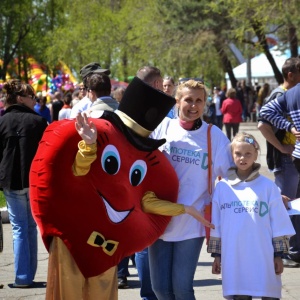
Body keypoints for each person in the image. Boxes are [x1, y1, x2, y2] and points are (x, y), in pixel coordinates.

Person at [148, 79, 233, 300]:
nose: (193, 105)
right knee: (159, 289)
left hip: (192, 222)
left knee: (181, 288)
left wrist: (263, 190)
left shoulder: (214, 135)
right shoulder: (162, 128)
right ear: (177, 101)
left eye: (199, 101)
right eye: (188, 100)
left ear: (205, 104)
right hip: (159, 218)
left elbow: (233, 175)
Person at [208, 132, 295, 300]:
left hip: (264, 258)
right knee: (240, 295)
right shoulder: (222, 188)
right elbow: (216, 225)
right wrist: (217, 256)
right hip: (234, 259)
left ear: (256, 154)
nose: (243, 158)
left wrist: (279, 255)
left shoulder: (268, 187)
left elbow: (279, 224)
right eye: (238, 153)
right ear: (232, 155)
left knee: (268, 293)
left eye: (248, 153)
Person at [0, 79, 48, 288]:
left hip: (11, 180)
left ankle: (22, 277)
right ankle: (28, 274)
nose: (35, 100)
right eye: (32, 97)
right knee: (30, 227)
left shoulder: (2, 122)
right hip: (34, 179)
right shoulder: (38, 121)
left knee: (20, 227)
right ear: (20, 98)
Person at [258, 57, 300, 268]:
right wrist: (281, 147)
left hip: (293, 158)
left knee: (294, 206)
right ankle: (281, 252)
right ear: (291, 75)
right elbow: (262, 124)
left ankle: (293, 250)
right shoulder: (281, 95)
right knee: (284, 205)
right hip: (285, 160)